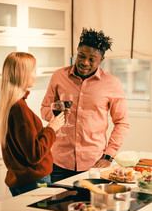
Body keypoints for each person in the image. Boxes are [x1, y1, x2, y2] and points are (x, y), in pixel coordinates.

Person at [41, 28, 129, 183]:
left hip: (94, 164)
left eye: (92, 59)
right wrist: (57, 115)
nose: (84, 62)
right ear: (77, 52)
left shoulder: (112, 83)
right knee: (59, 207)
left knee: (92, 207)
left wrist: (109, 155)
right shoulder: (59, 76)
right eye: (81, 56)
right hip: (59, 162)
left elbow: (122, 123)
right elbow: (45, 109)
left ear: (101, 59)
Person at [0, 52, 65, 196]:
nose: (36, 73)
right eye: (33, 70)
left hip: (20, 181)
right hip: (36, 182)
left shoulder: (8, 103)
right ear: (23, 74)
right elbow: (35, 155)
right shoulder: (19, 108)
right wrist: (51, 128)